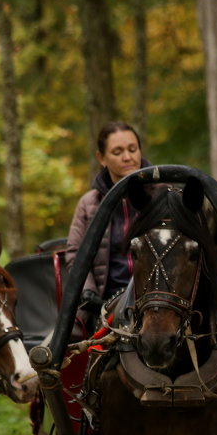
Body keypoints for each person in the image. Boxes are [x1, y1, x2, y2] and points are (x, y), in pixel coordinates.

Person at [64, 121, 150, 324]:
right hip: (105, 303)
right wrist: (88, 292)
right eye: (117, 152)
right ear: (101, 158)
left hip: (158, 301)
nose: (128, 157)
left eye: (132, 149)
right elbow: (75, 254)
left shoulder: (163, 194)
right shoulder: (89, 203)